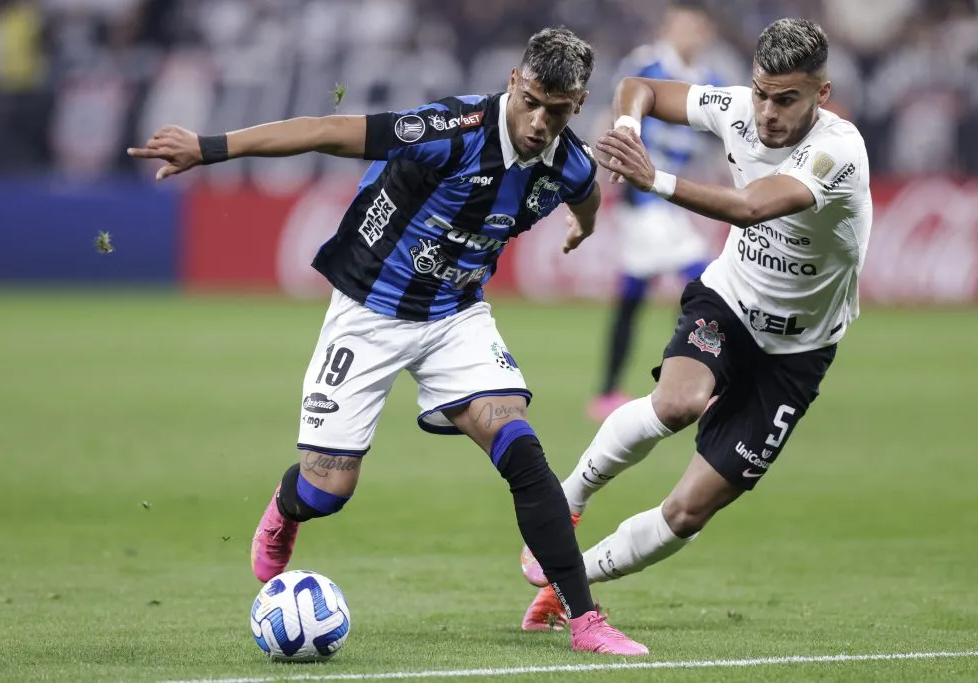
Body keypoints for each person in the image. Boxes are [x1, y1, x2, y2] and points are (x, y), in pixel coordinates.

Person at [127, 27, 647, 656]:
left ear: (578, 105)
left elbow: (586, 192)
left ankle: (584, 618)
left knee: (521, 449)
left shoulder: (568, 160)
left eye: (558, 111)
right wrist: (209, 148)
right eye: (531, 101)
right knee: (327, 491)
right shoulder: (450, 129)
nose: (540, 121)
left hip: (455, 316)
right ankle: (288, 510)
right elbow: (327, 130)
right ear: (514, 81)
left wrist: (579, 227)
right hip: (368, 313)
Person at [519, 18, 872, 629]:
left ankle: (569, 579)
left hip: (797, 353)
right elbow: (640, 87)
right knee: (677, 403)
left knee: (687, 513)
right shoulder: (737, 107)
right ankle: (568, 500)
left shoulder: (838, 151)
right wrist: (629, 127)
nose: (766, 112)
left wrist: (651, 177)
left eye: (786, 99)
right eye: (760, 92)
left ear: (823, 93)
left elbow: (752, 206)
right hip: (727, 302)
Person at [587, 1, 720, 423]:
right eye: (681, 26)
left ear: (706, 33)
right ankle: (699, 381)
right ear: (667, 28)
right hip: (643, 197)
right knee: (704, 283)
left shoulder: (709, 81)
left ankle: (607, 391)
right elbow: (615, 113)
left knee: (633, 293)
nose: (688, 35)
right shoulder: (645, 65)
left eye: (695, 28)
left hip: (670, 195)